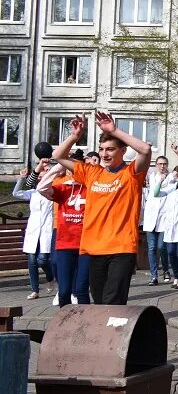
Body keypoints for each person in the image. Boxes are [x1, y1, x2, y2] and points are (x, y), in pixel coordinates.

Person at [52, 111, 152, 305]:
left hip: (121, 248)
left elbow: (145, 150)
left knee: (112, 301)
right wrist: (74, 136)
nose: (104, 154)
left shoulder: (131, 173)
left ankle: (116, 335)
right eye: (102, 149)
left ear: (123, 151)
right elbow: (58, 155)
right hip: (93, 249)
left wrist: (114, 130)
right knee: (98, 302)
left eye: (110, 149)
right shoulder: (91, 172)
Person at [37, 158, 89, 306]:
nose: (73, 172)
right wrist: (58, 167)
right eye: (70, 168)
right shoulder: (63, 189)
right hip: (65, 245)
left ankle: (86, 322)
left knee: (81, 289)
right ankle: (63, 323)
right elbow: (41, 188)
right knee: (65, 290)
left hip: (86, 246)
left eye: (76, 168)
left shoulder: (91, 188)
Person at [14, 161, 55, 300]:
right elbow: (16, 193)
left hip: (47, 230)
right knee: (32, 261)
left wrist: (50, 170)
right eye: (39, 175)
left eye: (44, 173)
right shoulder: (33, 193)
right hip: (33, 230)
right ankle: (35, 290)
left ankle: (50, 278)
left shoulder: (53, 192)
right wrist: (22, 178)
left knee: (42, 260)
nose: (40, 177)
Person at [143, 152, 177, 285]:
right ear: (156, 165)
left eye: (164, 164)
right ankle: (154, 275)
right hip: (151, 217)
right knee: (151, 248)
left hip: (164, 217)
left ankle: (166, 270)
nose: (162, 166)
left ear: (167, 165)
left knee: (162, 247)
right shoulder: (152, 176)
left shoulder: (171, 179)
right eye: (160, 164)